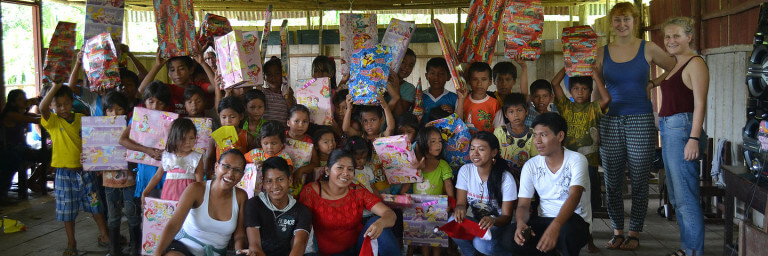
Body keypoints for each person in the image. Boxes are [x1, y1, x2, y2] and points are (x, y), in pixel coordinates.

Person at [595, 2, 676, 250]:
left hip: (640, 118)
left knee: (640, 178)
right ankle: (618, 231)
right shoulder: (601, 52)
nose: (622, 25)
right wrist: (593, 121)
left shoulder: (648, 47)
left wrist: (653, 83)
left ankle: (635, 232)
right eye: (617, 20)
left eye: (627, 20)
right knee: (612, 178)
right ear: (611, 23)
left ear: (635, 22)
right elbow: (596, 89)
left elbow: (674, 67)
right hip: (609, 120)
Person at [649, 17, 709, 256]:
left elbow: (700, 103)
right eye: (667, 37)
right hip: (670, 129)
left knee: (686, 196)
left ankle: (693, 251)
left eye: (676, 36)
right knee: (676, 196)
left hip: (682, 129)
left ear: (689, 37)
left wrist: (693, 139)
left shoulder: (695, 63)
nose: (670, 41)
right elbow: (666, 81)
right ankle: (687, 248)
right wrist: (652, 82)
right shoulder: (675, 63)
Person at [507, 112, 592, 256]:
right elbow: (523, 205)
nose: (537, 141)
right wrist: (521, 222)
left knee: (566, 232)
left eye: (544, 135)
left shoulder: (576, 160)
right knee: (510, 236)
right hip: (545, 219)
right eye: (535, 135)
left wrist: (556, 226)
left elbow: (574, 196)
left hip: (575, 221)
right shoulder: (531, 165)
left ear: (560, 136)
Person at [40, 82, 110, 256]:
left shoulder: (81, 119)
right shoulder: (53, 122)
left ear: (72, 102)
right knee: (67, 210)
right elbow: (42, 107)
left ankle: (105, 235)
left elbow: (96, 139)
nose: (63, 108)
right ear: (52, 106)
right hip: (64, 174)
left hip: (86, 172)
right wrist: (55, 87)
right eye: (58, 105)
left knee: (96, 205)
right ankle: (71, 242)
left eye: (66, 104)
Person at [299, 149, 399, 255]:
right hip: (326, 253)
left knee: (378, 223)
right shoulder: (312, 191)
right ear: (327, 170)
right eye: (340, 168)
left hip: (357, 248)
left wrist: (380, 223)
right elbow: (301, 229)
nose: (346, 173)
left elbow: (390, 215)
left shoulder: (357, 191)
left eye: (350, 169)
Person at [154, 149, 249, 256]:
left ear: (242, 175)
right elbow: (173, 225)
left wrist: (239, 252)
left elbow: (240, 234)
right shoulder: (196, 189)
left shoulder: (241, 196)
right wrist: (157, 253)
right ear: (216, 167)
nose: (230, 173)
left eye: (237, 170)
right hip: (183, 249)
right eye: (226, 166)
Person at [453, 131, 517, 256]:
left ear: (494, 152)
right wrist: (459, 209)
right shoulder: (466, 171)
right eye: (472, 149)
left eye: (481, 149)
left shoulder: (505, 178)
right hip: (478, 223)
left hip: (500, 226)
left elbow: (506, 217)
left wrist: (493, 220)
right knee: (454, 222)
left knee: (481, 243)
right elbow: (461, 203)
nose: (475, 153)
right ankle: (471, 254)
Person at [243, 156, 312, 256]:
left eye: (280, 179)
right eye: (269, 181)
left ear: (290, 180)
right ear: (263, 183)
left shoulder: (301, 211)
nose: (275, 186)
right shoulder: (253, 205)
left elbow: (299, 245)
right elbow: (255, 246)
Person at [100, 91, 141, 256]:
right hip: (109, 180)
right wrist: (88, 158)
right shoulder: (99, 130)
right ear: (104, 112)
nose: (114, 114)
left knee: (132, 213)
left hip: (130, 180)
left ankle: (135, 248)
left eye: (118, 109)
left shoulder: (131, 130)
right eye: (110, 110)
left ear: (126, 110)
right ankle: (114, 249)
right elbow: (94, 154)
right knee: (113, 215)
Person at [119, 81, 172, 204]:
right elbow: (122, 140)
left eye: (160, 103)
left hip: (164, 170)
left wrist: (166, 152)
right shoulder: (139, 118)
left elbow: (176, 141)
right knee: (148, 206)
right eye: (151, 102)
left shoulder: (170, 120)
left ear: (166, 104)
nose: (155, 107)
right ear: (145, 101)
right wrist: (147, 150)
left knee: (165, 205)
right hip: (146, 168)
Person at [407, 126, 455, 256]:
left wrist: (450, 203)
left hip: (438, 209)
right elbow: (404, 189)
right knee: (423, 240)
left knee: (436, 238)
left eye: (439, 141)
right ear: (423, 143)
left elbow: (449, 185)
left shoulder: (443, 165)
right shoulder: (416, 165)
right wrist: (416, 171)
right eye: (433, 141)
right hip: (418, 209)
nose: (438, 144)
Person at [142, 118, 204, 202]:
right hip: (168, 196)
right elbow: (157, 176)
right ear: (174, 138)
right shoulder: (167, 156)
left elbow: (199, 182)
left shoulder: (197, 157)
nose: (188, 142)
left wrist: (200, 199)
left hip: (188, 197)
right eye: (183, 138)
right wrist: (146, 192)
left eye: (191, 138)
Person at [138, 50, 216, 116]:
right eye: (172, 70)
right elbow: (142, 90)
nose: (177, 73)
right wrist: (157, 65)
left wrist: (202, 63)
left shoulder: (198, 86)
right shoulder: (167, 89)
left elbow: (216, 87)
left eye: (181, 69)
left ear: (191, 70)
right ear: (168, 73)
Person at [0, 89, 41, 203]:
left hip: (20, 148)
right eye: (20, 99)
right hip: (10, 150)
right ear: (12, 103)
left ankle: (32, 181)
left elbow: (38, 116)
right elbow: (35, 120)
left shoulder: (21, 113)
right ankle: (3, 195)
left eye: (24, 98)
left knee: (49, 155)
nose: (24, 101)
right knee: (13, 160)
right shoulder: (10, 114)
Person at [494, 93, 538, 176]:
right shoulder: (500, 132)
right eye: (511, 111)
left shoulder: (533, 133)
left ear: (526, 111)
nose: (516, 115)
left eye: (519, 110)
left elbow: (535, 159)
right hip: (503, 175)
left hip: (526, 175)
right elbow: (494, 155)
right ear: (506, 114)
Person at [456, 62, 501, 132]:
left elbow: (499, 131)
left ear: (490, 82)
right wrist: (461, 100)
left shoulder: (495, 104)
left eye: (483, 79)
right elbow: (457, 125)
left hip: (487, 142)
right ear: (469, 81)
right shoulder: (461, 99)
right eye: (475, 79)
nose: (479, 84)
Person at [421, 58, 458, 125]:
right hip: (424, 134)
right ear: (426, 76)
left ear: (449, 77)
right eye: (432, 73)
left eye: (441, 74)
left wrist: (452, 114)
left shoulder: (454, 98)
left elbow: (458, 122)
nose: (436, 77)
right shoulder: (420, 97)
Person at [386, 48, 417, 116]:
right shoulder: (380, 80)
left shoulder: (409, 88)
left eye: (410, 65)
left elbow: (399, 114)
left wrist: (396, 88)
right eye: (403, 62)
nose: (406, 67)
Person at [262, 57, 291, 123]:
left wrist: (289, 100)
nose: (273, 78)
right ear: (264, 77)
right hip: (265, 132)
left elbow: (293, 115)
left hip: (283, 132)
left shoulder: (288, 95)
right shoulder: (262, 93)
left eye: (277, 74)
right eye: (269, 74)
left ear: (283, 76)